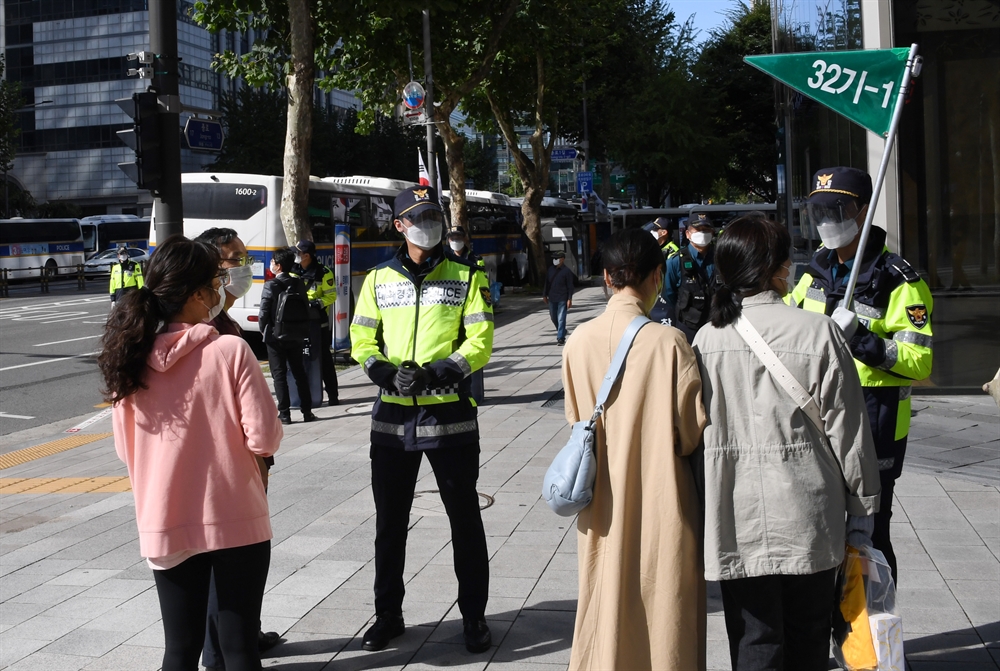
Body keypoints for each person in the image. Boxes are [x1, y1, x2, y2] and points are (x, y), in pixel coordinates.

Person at [693, 215, 881, 671]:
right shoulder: (819, 333)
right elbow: (850, 434)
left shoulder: (704, 340)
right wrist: (864, 511)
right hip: (809, 514)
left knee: (754, 639)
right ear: (779, 268)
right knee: (809, 638)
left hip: (735, 517)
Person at [97, 235, 282, 671]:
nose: (222, 289)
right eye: (217, 280)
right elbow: (265, 439)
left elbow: (126, 452)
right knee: (239, 649)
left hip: (164, 519)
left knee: (179, 650)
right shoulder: (230, 350)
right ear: (198, 293)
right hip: (236, 516)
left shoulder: (131, 358)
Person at [350, 185, 494, 655]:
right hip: (391, 420)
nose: (427, 224)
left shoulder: (468, 276)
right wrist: (386, 373)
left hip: (449, 417)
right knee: (390, 524)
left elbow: (480, 340)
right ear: (399, 225)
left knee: (465, 520)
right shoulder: (376, 281)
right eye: (417, 217)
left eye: (433, 215)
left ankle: (473, 616)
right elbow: (361, 341)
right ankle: (388, 614)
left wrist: (440, 371)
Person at [562, 228, 706, 671]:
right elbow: (690, 431)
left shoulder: (577, 341)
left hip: (601, 502)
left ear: (607, 277)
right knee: (665, 613)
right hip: (663, 499)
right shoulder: (670, 343)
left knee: (604, 605)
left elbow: (576, 421)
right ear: (657, 277)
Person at [789, 167, 933, 585]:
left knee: (869, 534)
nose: (827, 220)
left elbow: (918, 361)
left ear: (863, 210)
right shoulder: (813, 271)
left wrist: (863, 339)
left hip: (874, 423)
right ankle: (831, 627)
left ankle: (873, 632)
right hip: (818, 419)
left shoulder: (898, 282)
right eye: (819, 211)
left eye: (837, 209)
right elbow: (790, 321)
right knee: (821, 527)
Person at [193, 228, 282, 668]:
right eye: (233, 259)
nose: (243, 266)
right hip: (225, 471)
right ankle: (222, 651)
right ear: (211, 269)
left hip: (238, 463)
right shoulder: (207, 328)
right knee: (225, 565)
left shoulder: (224, 321)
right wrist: (260, 454)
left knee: (234, 570)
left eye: (244, 256)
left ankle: (240, 635)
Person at [260, 248, 316, 425]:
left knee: (279, 374)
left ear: (277, 265)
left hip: (275, 336)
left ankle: (284, 414)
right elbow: (306, 307)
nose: (271, 264)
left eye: (273, 262)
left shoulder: (271, 285)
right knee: (299, 372)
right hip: (296, 334)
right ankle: (307, 411)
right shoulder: (298, 283)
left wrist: (265, 330)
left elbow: (263, 312)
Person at [291, 240, 339, 406]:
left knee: (323, 358)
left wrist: (315, 303)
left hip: (318, 322)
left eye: (298, 253)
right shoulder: (293, 270)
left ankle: (332, 395)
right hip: (298, 320)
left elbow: (331, 296)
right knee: (299, 358)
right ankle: (302, 395)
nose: (295, 256)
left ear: (307, 256)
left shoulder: (324, 273)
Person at [664, 214, 716, 341]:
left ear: (712, 232)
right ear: (687, 234)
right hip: (688, 326)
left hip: (717, 325)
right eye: (698, 230)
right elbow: (668, 294)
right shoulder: (675, 262)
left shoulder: (721, 258)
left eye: (706, 230)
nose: (702, 233)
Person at [543, 250, 574, 345]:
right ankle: (562, 331)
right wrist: (544, 294)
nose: (555, 260)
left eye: (557, 258)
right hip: (552, 297)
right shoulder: (550, 270)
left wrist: (569, 298)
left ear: (562, 259)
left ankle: (560, 337)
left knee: (561, 318)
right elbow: (546, 283)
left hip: (562, 297)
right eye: (554, 258)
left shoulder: (567, 271)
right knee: (553, 317)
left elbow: (570, 286)